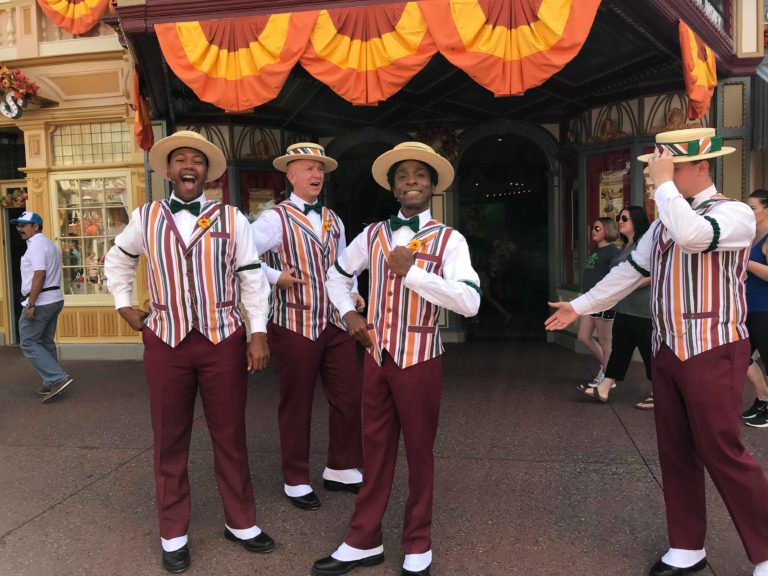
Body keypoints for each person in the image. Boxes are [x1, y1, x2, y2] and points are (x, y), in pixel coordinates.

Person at [545, 127, 768, 576]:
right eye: (656, 169)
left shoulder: (735, 213)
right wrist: (580, 305)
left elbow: (694, 236)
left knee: (722, 449)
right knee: (675, 450)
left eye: (670, 167)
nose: (657, 176)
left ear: (702, 166)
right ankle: (686, 547)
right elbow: (629, 271)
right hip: (667, 348)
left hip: (713, 347)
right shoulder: (667, 217)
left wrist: (663, 186)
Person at [103, 130, 275, 573]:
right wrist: (123, 304)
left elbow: (251, 276)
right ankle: (173, 533)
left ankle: (240, 522)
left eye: (196, 161)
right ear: (168, 170)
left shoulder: (232, 218)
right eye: (180, 159)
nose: (188, 166)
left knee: (230, 435)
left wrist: (257, 333)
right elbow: (118, 259)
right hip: (166, 340)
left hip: (222, 339)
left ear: (207, 173)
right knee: (169, 438)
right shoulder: (146, 216)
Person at [312, 142, 481, 576]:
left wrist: (414, 273)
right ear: (393, 188)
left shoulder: (450, 239)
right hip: (377, 356)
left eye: (419, 175)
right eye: (402, 176)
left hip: (421, 358)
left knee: (420, 453)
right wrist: (348, 313)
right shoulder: (372, 234)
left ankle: (418, 543)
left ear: (433, 185)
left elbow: (470, 302)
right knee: (375, 451)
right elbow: (337, 275)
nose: (411, 182)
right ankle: (362, 540)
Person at [250, 142, 364, 511]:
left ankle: (341, 467)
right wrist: (274, 276)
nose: (315, 175)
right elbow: (240, 254)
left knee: (348, 395)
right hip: (293, 322)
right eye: (307, 168)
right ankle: (296, 477)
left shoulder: (333, 219)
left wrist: (353, 292)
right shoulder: (274, 219)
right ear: (291, 175)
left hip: (334, 321)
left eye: (319, 169)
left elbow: (344, 263)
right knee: (296, 402)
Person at [578, 206, 654, 409]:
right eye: (619, 217)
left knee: (649, 353)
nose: (620, 221)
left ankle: (658, 392)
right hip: (623, 308)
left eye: (625, 218)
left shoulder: (644, 245)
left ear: (637, 221)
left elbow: (655, 274)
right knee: (619, 351)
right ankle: (604, 388)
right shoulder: (626, 246)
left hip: (643, 311)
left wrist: (628, 285)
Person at [13, 211, 73, 403]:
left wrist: (31, 303)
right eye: (18, 225)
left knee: (29, 342)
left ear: (36, 226)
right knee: (46, 341)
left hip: (41, 301)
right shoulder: (49, 244)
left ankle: (57, 378)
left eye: (23, 225)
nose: (19, 229)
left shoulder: (37, 245)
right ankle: (51, 381)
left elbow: (39, 274)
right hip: (54, 298)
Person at [578, 216, 619, 388]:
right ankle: (608, 369)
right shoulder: (595, 251)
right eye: (593, 228)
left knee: (605, 341)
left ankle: (608, 378)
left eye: (597, 228)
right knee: (583, 336)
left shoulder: (613, 252)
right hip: (589, 300)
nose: (593, 231)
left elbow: (615, 279)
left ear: (607, 230)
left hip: (603, 301)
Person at [741, 189, 768, 428]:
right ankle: (763, 398)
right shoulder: (752, 238)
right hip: (748, 308)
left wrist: (744, 261)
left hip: (765, 309)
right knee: (741, 356)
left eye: (752, 208)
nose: (748, 212)